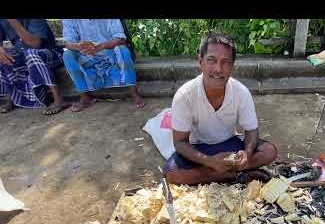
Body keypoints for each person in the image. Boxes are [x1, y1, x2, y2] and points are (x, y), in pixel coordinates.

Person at [164, 32, 278, 185]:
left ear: (232, 66)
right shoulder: (185, 96)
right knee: (171, 176)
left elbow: (251, 130)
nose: (218, 69)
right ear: (200, 61)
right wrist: (210, 161)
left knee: (270, 151)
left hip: (230, 144)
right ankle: (237, 175)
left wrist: (247, 154)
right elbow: (180, 143)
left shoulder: (241, 92)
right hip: (199, 148)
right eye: (211, 60)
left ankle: (231, 171)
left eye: (225, 62)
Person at [62, 19, 145, 112]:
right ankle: (85, 96)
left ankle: (134, 92)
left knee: (123, 50)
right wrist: (79, 46)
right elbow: (68, 43)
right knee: (68, 55)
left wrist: (101, 46)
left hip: (110, 53)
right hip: (86, 56)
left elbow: (121, 39)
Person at [0, 19, 69, 115]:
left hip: (51, 53)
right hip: (23, 54)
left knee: (31, 53)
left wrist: (14, 22)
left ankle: (59, 99)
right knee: (4, 56)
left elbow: (35, 44)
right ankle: (14, 97)